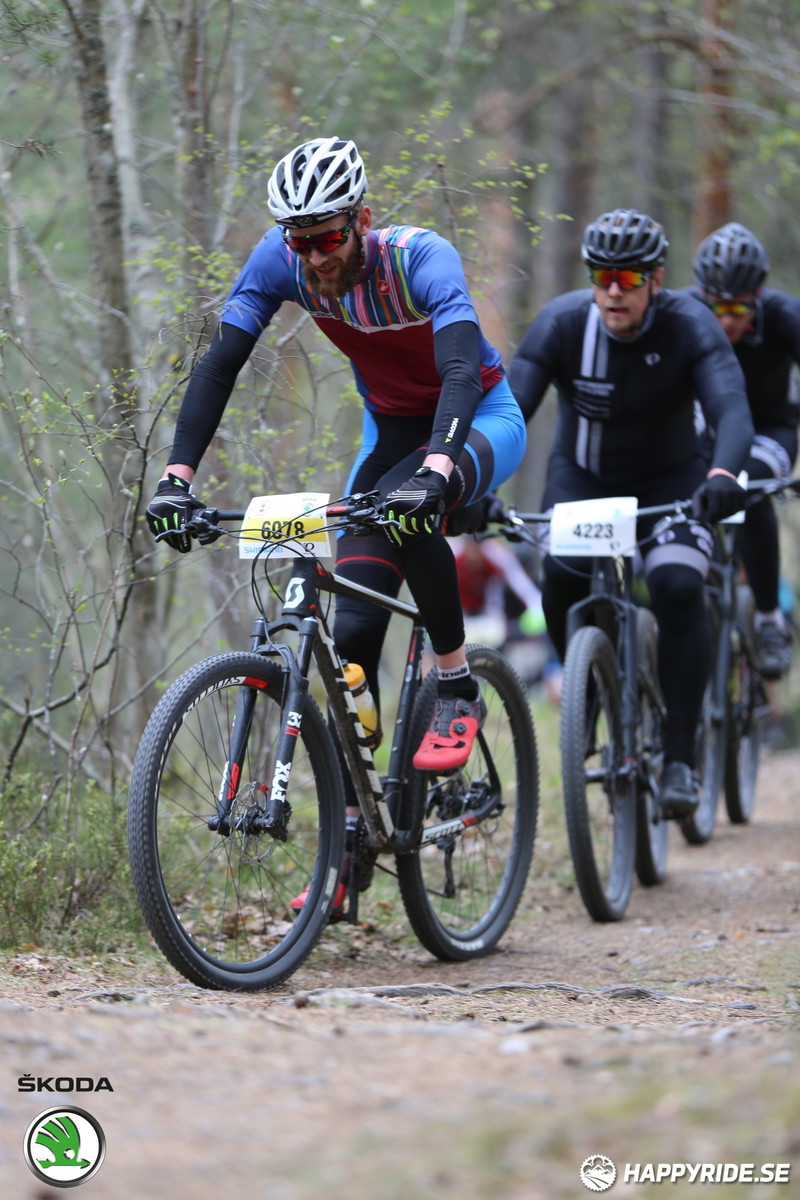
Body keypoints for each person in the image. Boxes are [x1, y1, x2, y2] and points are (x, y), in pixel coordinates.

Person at [145, 135, 527, 911]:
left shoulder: (420, 258)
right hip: (387, 432)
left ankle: (454, 684)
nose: (314, 258)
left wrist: (439, 469)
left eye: (327, 238)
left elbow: (460, 369)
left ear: (361, 219)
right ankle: (352, 839)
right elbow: (220, 363)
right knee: (349, 633)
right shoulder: (278, 261)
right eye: (299, 240)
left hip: (478, 415)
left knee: (412, 514)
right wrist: (175, 478)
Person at [507, 208, 754, 819]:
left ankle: (679, 759)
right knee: (560, 574)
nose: (613, 289)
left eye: (629, 277)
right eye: (601, 274)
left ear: (656, 280)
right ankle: (589, 692)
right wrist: (469, 481)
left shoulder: (689, 325)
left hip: (673, 482)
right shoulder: (564, 325)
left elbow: (732, 408)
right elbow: (509, 412)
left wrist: (723, 475)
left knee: (675, 584)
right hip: (583, 479)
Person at [689, 222, 799, 680]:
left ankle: (769, 616)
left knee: (746, 486)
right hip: (702, 430)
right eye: (716, 307)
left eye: (738, 308)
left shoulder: (785, 316)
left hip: (769, 431)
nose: (726, 320)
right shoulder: (683, 311)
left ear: (758, 296)